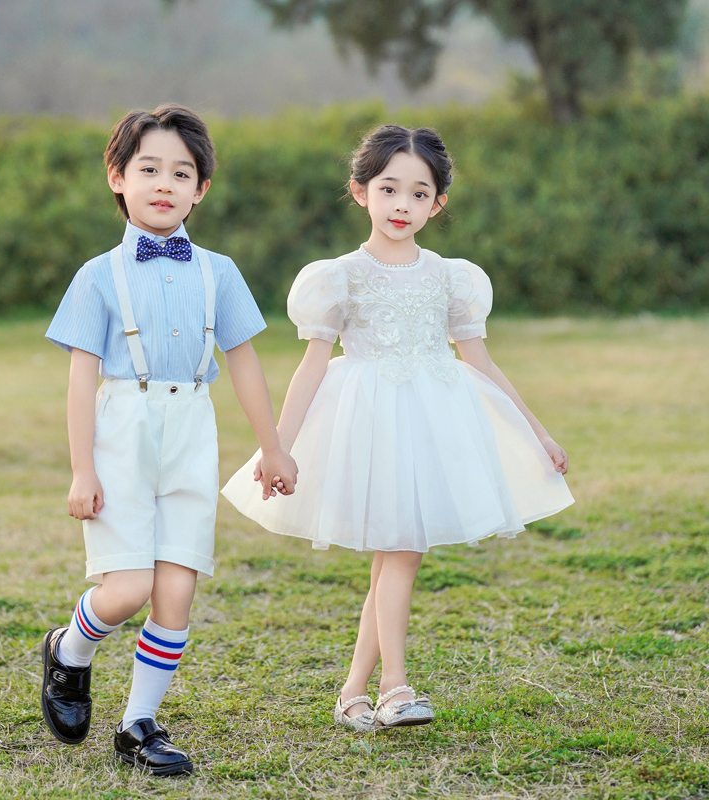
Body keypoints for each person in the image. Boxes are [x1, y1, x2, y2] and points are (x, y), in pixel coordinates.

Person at [221, 124, 574, 732]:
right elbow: (311, 369)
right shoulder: (338, 277)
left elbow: (481, 363)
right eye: (389, 190)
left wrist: (536, 433)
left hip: (432, 425)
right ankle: (394, 686)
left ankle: (357, 691)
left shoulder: (451, 277)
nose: (402, 206)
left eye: (418, 193)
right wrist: (275, 446)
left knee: (396, 556)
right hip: (370, 427)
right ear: (360, 192)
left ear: (438, 202)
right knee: (400, 554)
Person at [40, 103, 297, 776]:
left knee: (176, 589)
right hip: (122, 428)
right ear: (117, 178)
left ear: (201, 188)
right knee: (126, 588)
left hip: (192, 428)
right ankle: (69, 650)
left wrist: (271, 446)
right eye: (147, 168)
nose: (164, 182)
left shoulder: (220, 271)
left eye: (181, 172)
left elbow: (242, 361)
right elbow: (79, 380)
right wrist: (80, 470)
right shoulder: (99, 275)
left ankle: (138, 724)